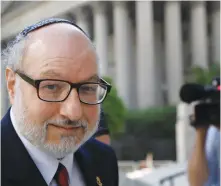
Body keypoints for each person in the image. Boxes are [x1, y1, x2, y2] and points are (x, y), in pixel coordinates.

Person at [1, 18, 119, 186]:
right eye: (52, 86)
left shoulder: (104, 160)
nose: (74, 112)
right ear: (12, 85)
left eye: (87, 88)